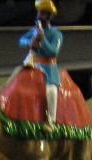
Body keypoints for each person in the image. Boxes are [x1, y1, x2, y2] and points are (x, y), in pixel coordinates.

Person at [19, 0, 62, 129]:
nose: (40, 16)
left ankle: (51, 121)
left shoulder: (56, 34)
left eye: (43, 13)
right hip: (34, 66)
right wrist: (29, 43)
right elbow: (21, 40)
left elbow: (53, 52)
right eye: (39, 12)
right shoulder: (34, 31)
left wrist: (42, 39)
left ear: (49, 16)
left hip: (49, 69)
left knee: (51, 90)